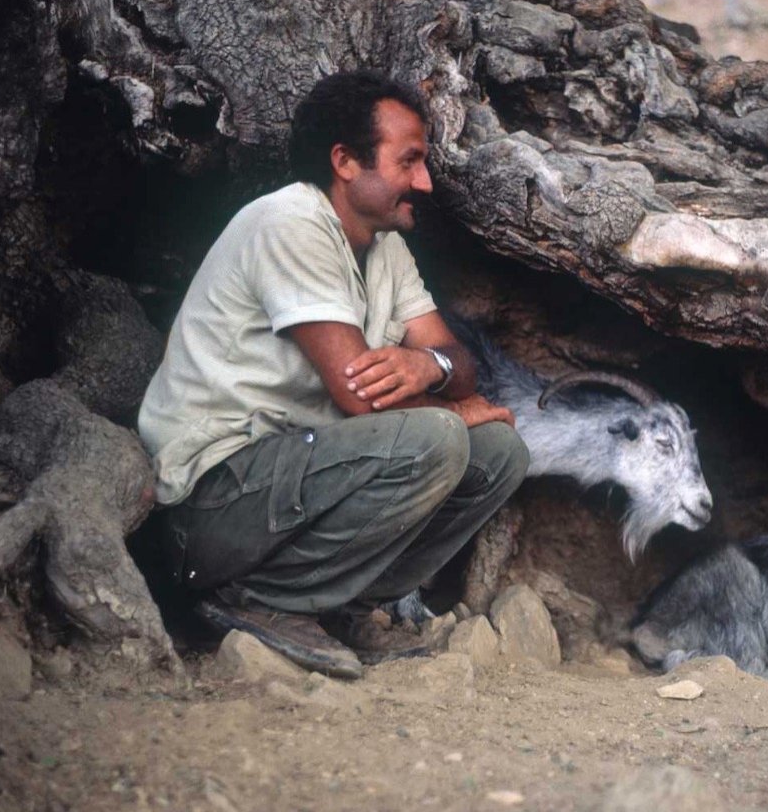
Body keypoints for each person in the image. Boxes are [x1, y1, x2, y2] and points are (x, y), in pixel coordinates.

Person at [138, 71, 529, 679]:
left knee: (499, 452)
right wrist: (449, 403)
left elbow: (458, 362)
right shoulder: (290, 223)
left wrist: (431, 364)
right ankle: (262, 600)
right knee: (442, 438)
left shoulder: (385, 247)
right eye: (410, 161)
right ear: (345, 161)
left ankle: (338, 609)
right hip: (212, 506)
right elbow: (358, 396)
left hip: (294, 484)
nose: (424, 182)